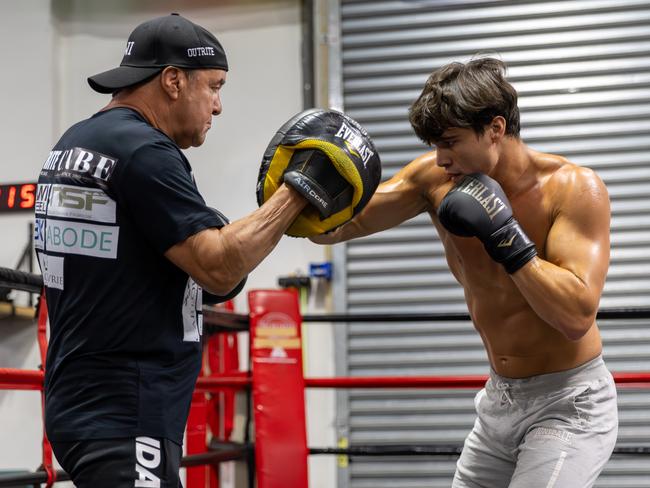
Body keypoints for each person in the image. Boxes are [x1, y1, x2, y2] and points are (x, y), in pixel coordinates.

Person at [34, 13, 354, 488]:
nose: (218, 106)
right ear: (173, 81)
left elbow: (164, 261)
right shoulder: (144, 151)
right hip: (126, 412)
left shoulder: (77, 143)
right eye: (214, 86)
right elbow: (220, 268)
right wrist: (301, 190)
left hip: (88, 404)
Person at [311, 57, 618, 487]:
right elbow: (338, 226)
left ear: (495, 128)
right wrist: (303, 190)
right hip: (498, 402)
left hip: (568, 402)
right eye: (435, 145)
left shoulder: (572, 188)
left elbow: (575, 317)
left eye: (451, 142)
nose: (441, 159)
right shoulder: (433, 179)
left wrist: (507, 238)